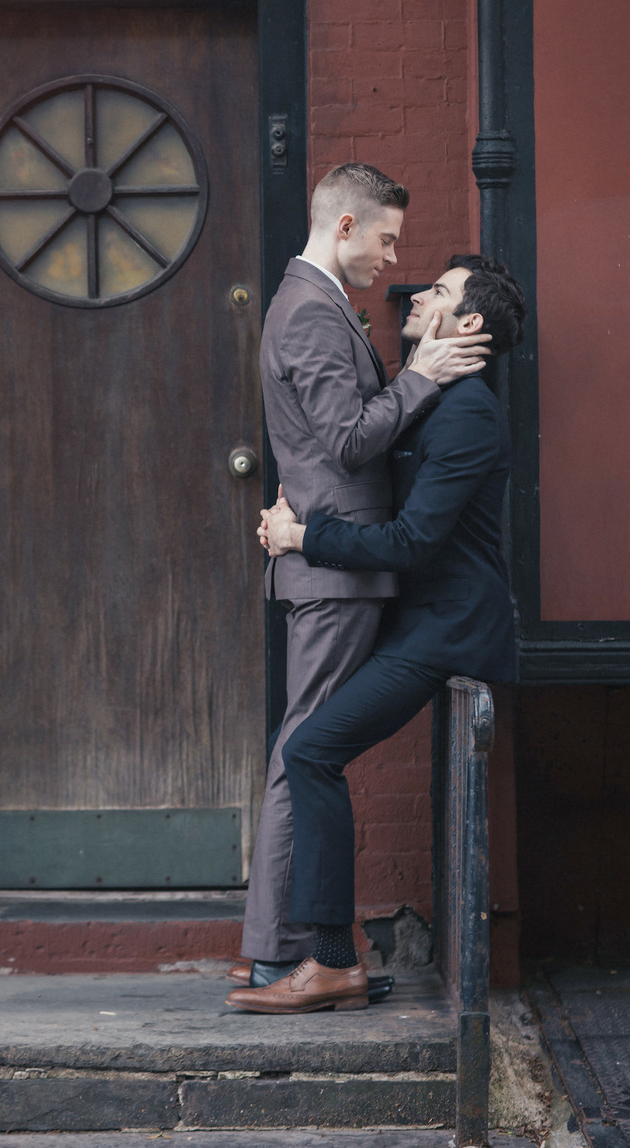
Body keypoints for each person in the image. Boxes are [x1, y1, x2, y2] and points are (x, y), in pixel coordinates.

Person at [226, 254, 526, 1014]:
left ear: (471, 324)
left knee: (310, 750)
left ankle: (330, 961)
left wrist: (304, 539)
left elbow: (409, 544)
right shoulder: (436, 398)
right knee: (311, 747)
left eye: (440, 292)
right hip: (417, 623)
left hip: (448, 632)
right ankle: (321, 956)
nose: (418, 294)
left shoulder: (469, 416)